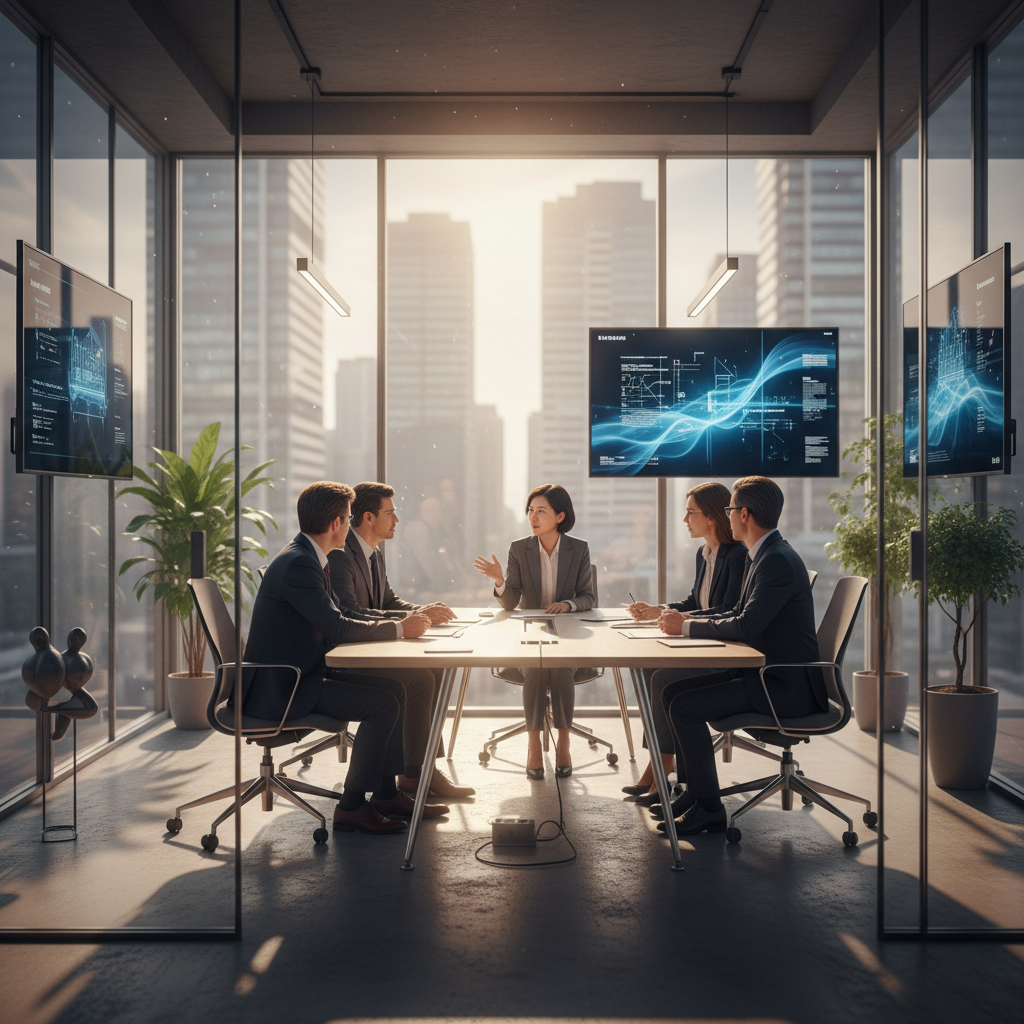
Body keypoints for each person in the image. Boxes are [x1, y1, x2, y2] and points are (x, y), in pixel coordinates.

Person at [242, 481, 449, 834]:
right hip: (285, 686)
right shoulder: (299, 565)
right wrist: (400, 630)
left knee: (397, 690)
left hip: (303, 673)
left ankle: (385, 794)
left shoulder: (308, 558)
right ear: (336, 523)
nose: (351, 526)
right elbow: (338, 626)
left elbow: (342, 616)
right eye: (348, 518)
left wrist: (403, 624)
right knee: (382, 705)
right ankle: (351, 806)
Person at [648, 475, 823, 836]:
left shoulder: (774, 560)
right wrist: (684, 622)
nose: (726, 515)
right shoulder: (764, 555)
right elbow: (735, 614)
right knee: (669, 689)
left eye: (729, 510)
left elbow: (744, 625)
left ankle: (709, 809)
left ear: (744, 514)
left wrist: (685, 627)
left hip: (780, 686)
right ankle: (696, 793)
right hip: (764, 675)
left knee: (684, 706)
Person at [328, 480, 475, 799]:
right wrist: (405, 623)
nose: (397, 520)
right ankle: (416, 772)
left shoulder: (373, 554)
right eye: (391, 513)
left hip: (371, 645)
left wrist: (421, 611)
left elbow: (388, 600)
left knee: (434, 670)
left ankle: (416, 772)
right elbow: (351, 611)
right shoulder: (341, 555)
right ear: (368, 518)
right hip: (345, 657)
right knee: (419, 678)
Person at [624, 481, 747, 804]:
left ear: (711, 517)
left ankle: (663, 765)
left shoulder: (737, 556)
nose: (684, 520)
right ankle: (661, 762)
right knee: (653, 671)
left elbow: (729, 609)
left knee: (663, 675)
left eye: (690, 513)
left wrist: (684, 624)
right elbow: (697, 599)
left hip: (725, 654)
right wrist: (659, 610)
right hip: (706, 644)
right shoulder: (704, 553)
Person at [473, 484, 594, 779]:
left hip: (568, 635)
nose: (533, 517)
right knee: (538, 669)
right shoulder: (519, 548)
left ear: (560, 516)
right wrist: (500, 580)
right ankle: (534, 745)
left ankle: (563, 740)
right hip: (528, 637)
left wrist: (567, 604)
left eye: (541, 511)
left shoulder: (578, 548)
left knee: (561, 666)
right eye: (530, 511)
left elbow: (588, 597)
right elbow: (511, 602)